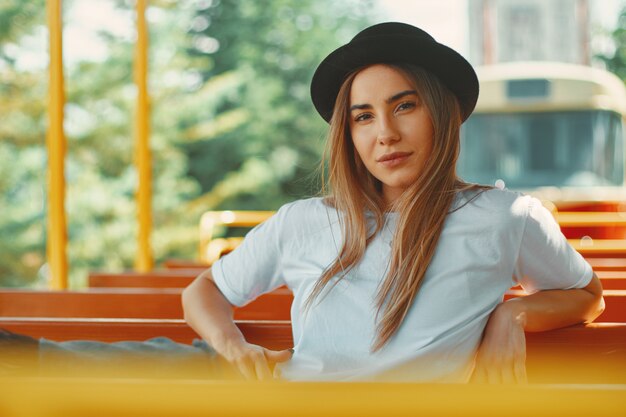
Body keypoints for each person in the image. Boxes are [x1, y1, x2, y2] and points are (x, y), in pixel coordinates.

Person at [182, 22, 605, 383]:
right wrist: (233, 347)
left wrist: (515, 315)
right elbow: (205, 290)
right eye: (363, 116)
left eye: (404, 106)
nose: (385, 133)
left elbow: (586, 293)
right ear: (348, 134)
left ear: (442, 112)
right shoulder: (301, 222)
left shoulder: (505, 216)